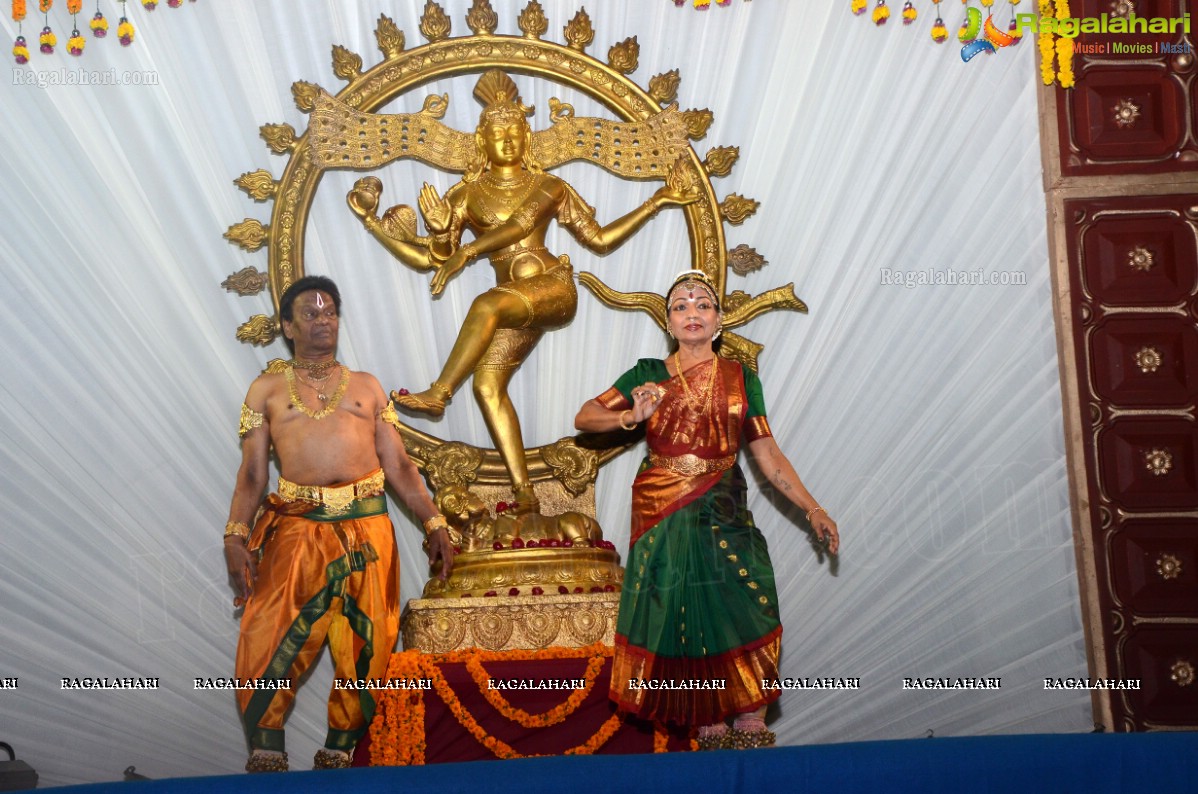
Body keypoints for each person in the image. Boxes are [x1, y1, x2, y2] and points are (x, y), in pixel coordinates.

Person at [347, 69, 697, 514]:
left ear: (527, 137)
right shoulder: (465, 195)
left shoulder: (547, 186)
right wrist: (383, 224)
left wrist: (657, 201)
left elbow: (593, 239)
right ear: (482, 140)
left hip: (551, 290)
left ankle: (439, 392)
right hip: (514, 306)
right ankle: (525, 494)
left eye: (516, 131)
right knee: (488, 386)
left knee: (486, 303)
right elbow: (430, 258)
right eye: (498, 132)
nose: (508, 139)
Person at [574, 269, 839, 750]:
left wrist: (812, 508)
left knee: (743, 595)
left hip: (723, 503)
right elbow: (585, 417)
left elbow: (767, 454)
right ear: (670, 323)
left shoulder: (741, 378)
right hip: (663, 507)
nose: (692, 312)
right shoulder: (647, 375)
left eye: (702, 305)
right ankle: (707, 717)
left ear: (718, 321)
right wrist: (630, 416)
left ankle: (749, 715)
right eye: (680, 305)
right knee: (677, 603)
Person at [223, 275, 454, 772]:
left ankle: (340, 749)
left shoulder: (368, 387)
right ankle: (267, 749)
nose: (323, 320)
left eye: (330, 313)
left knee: (367, 639)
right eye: (310, 313)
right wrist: (235, 535)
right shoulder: (265, 390)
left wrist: (434, 521)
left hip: (368, 526)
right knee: (269, 633)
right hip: (297, 527)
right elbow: (252, 475)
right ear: (288, 325)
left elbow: (400, 468)